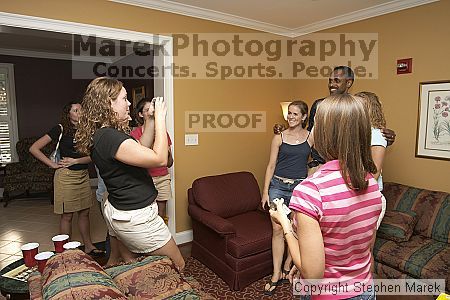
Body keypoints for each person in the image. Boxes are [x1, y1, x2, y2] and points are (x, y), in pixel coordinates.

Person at [270, 94, 381, 299]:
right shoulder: (371, 184)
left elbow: (313, 276)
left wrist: (285, 224)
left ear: (323, 133)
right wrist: (303, 264)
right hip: (365, 290)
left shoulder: (310, 191)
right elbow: (361, 250)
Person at [75, 77, 184, 270]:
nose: (129, 103)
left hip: (121, 209)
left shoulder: (104, 134)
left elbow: (140, 148)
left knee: (127, 263)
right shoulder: (109, 137)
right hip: (137, 216)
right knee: (177, 265)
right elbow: (159, 159)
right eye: (124, 99)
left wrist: (149, 120)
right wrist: (160, 119)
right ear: (109, 102)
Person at [274, 66, 396, 172]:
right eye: (330, 81)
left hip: (346, 168)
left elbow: (365, 133)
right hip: (319, 166)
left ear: (348, 83)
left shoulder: (355, 106)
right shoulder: (319, 105)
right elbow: (308, 134)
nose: (332, 84)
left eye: (337, 81)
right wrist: (287, 132)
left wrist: (385, 137)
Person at [29, 101, 102, 256]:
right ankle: (65, 251)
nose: (80, 113)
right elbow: (34, 148)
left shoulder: (88, 130)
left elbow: (93, 156)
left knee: (84, 213)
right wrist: (52, 164)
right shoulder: (60, 129)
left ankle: (88, 246)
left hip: (83, 175)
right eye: (75, 110)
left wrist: (76, 161)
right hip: (66, 177)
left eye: (81, 110)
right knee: (67, 215)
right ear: (68, 114)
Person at [261, 100, 313, 296]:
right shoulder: (279, 137)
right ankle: (276, 274)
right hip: (277, 187)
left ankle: (287, 265)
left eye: (295, 114)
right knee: (277, 229)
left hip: (300, 188)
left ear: (304, 117)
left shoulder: (311, 137)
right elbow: (271, 165)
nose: (290, 117)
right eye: (289, 113)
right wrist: (265, 191)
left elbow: (317, 160)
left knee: (295, 228)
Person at [130, 97, 174, 223]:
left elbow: (170, 163)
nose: (152, 112)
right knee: (147, 213)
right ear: (140, 114)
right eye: (148, 110)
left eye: (154, 110)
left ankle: (162, 240)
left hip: (163, 177)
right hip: (145, 179)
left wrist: (168, 154)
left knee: (161, 213)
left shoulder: (163, 134)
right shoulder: (135, 135)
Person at [356, 91, 388, 228]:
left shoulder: (376, 135)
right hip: (358, 195)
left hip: (369, 196)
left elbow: (374, 173)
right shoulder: (359, 134)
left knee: (366, 247)